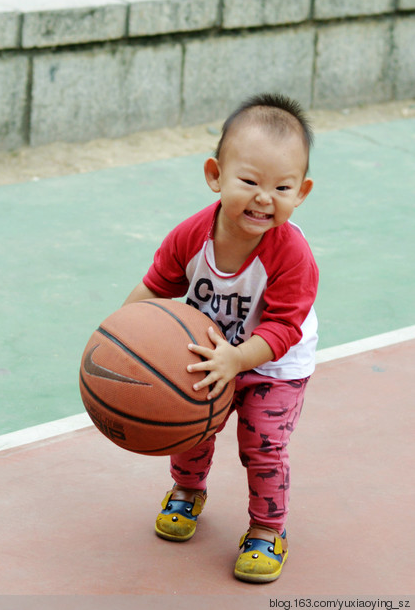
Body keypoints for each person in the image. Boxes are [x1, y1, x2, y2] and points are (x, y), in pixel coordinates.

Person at [123, 92, 318, 583]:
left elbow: (282, 329)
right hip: (211, 351)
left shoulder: (291, 254)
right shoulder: (192, 235)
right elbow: (154, 288)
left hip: (275, 362)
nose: (263, 197)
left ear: (302, 193)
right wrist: (119, 335)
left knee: (263, 444)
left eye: (282, 187)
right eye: (249, 181)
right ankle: (187, 491)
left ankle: (268, 530)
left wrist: (237, 360)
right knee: (188, 422)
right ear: (215, 175)